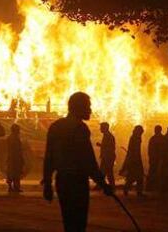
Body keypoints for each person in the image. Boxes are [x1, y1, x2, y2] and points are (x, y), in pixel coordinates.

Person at [43, 92, 113, 232]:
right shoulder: (80, 129)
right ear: (79, 107)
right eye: (88, 106)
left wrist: (47, 184)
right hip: (77, 183)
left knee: (68, 222)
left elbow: (49, 158)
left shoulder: (56, 126)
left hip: (62, 181)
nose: (90, 110)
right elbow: (88, 161)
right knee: (78, 224)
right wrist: (103, 184)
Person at [120, 125, 145, 196]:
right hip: (135, 160)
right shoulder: (136, 138)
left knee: (133, 176)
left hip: (134, 159)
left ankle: (127, 189)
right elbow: (135, 150)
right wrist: (136, 159)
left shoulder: (134, 137)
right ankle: (137, 191)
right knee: (137, 176)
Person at [97, 122, 116, 189]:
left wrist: (101, 145)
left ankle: (112, 186)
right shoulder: (107, 135)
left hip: (108, 157)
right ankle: (100, 185)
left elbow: (110, 147)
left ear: (105, 128)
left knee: (108, 172)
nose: (100, 129)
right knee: (103, 172)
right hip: (106, 157)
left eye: (101, 127)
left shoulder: (108, 136)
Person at [6, 123, 25, 192]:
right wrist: (21, 158)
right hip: (15, 158)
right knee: (16, 173)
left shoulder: (10, 138)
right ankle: (15, 187)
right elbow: (18, 149)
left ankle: (11, 187)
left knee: (11, 172)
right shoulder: (15, 138)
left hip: (11, 158)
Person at [146, 125, 164, 191]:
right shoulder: (162, 138)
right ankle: (156, 187)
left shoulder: (153, 138)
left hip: (155, 159)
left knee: (153, 173)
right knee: (158, 173)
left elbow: (150, 150)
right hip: (157, 159)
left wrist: (150, 158)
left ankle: (151, 187)